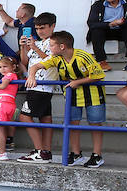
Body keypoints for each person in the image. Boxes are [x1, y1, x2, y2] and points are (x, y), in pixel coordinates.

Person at [26, 30, 107, 167]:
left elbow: (98, 75)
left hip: (93, 94)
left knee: (95, 124)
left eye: (51, 45)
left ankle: (97, 155)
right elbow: (36, 66)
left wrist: (78, 82)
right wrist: (32, 76)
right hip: (72, 96)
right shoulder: (56, 58)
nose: (49, 48)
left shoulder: (83, 56)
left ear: (62, 46)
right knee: (72, 124)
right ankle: (76, 153)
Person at [16, 12, 60, 163]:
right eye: (37, 28)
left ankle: (40, 151)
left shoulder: (54, 42)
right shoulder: (38, 42)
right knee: (45, 119)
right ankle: (45, 152)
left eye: (43, 27)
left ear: (52, 26)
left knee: (24, 116)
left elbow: (50, 61)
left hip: (42, 86)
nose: (40, 31)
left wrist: (34, 47)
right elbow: (25, 61)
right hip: (34, 85)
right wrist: (23, 47)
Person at [85, 0, 127, 70]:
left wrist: (121, 23)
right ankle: (102, 62)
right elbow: (91, 23)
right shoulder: (98, 5)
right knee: (96, 31)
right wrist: (110, 24)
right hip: (105, 30)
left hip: (121, 29)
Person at [0, 56, 21, 160]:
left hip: (2, 104)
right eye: (0, 67)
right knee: (3, 127)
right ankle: (3, 150)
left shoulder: (9, 75)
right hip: (10, 103)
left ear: (13, 67)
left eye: (5, 66)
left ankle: (2, 152)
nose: (2, 69)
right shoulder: (13, 75)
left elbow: (2, 86)